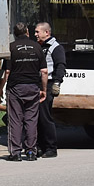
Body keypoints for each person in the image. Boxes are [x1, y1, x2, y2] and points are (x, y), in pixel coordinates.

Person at [0, 22, 47, 161]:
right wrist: (44, 90)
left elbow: (7, 72)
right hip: (33, 87)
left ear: (14, 34)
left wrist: (0, 89)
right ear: (27, 32)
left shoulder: (11, 48)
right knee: (31, 120)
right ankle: (31, 152)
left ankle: (16, 153)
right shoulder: (37, 47)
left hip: (16, 88)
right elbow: (44, 71)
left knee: (15, 120)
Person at [35, 21, 67, 158]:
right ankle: (40, 146)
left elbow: (61, 66)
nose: (35, 34)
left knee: (45, 117)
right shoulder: (39, 46)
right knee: (36, 117)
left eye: (38, 32)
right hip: (37, 84)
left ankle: (51, 148)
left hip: (48, 84)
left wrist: (57, 83)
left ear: (46, 32)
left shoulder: (55, 47)